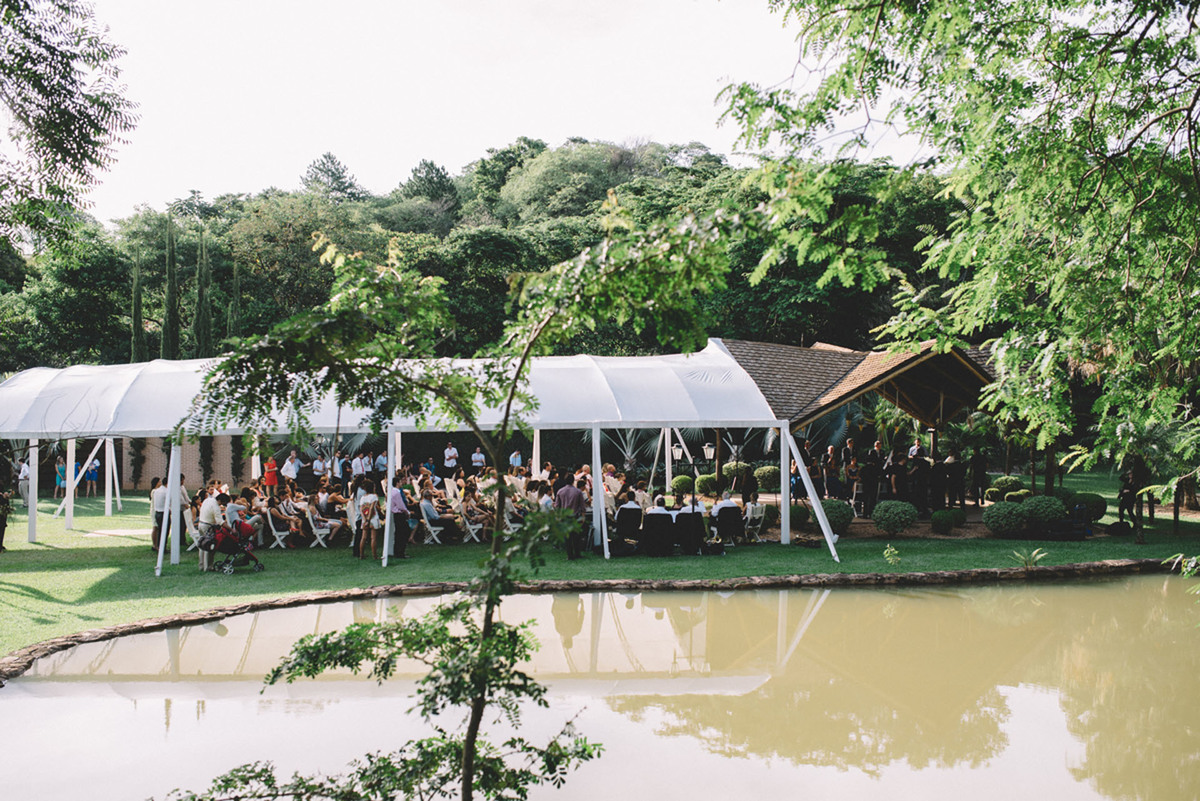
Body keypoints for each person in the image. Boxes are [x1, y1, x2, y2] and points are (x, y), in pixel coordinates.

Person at [554, 477, 588, 560]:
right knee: (576, 536)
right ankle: (577, 553)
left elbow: (557, 506)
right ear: (573, 481)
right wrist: (583, 516)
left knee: (567, 537)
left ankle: (570, 554)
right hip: (575, 516)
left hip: (564, 516)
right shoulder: (578, 491)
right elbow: (582, 506)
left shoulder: (560, 491)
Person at [388, 475, 411, 559]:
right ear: (397, 483)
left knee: (399, 533)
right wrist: (407, 511)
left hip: (396, 514)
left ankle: (398, 551)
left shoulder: (392, 491)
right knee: (403, 533)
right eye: (400, 482)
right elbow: (400, 505)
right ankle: (400, 551)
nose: (401, 483)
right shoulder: (396, 492)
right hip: (399, 514)